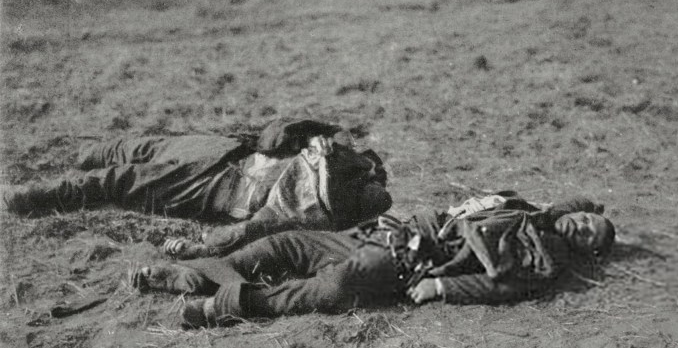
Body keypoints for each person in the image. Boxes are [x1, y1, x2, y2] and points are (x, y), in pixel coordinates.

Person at [131, 192, 615, 328]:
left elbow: (503, 288)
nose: (584, 226)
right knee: (289, 244)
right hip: (394, 232)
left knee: (332, 287)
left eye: (592, 234)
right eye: (588, 219)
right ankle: (194, 275)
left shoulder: (546, 261)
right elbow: (575, 203)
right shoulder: (525, 210)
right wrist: (580, 206)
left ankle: (220, 303)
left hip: (411, 265)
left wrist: (442, 288)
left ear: (586, 249)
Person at [4, 118, 392, 257]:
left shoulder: (326, 203)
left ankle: (31, 198)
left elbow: (255, 227)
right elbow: (285, 132)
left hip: (216, 187)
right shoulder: (337, 151)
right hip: (224, 151)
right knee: (144, 147)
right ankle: (87, 152)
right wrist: (319, 140)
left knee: (122, 181)